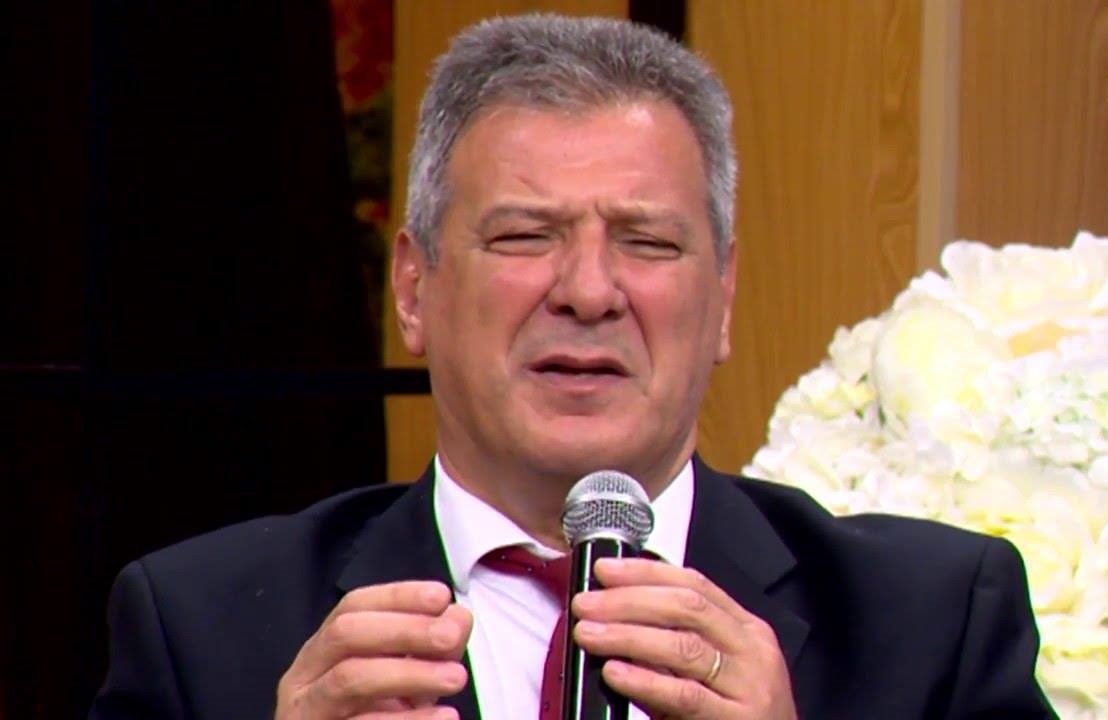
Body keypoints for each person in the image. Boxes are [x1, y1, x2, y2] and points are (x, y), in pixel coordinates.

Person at [90, 14, 1056, 720]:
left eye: (648, 242)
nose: (589, 292)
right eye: (524, 236)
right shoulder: (205, 629)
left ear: (722, 299)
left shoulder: (931, 623)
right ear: (414, 290)